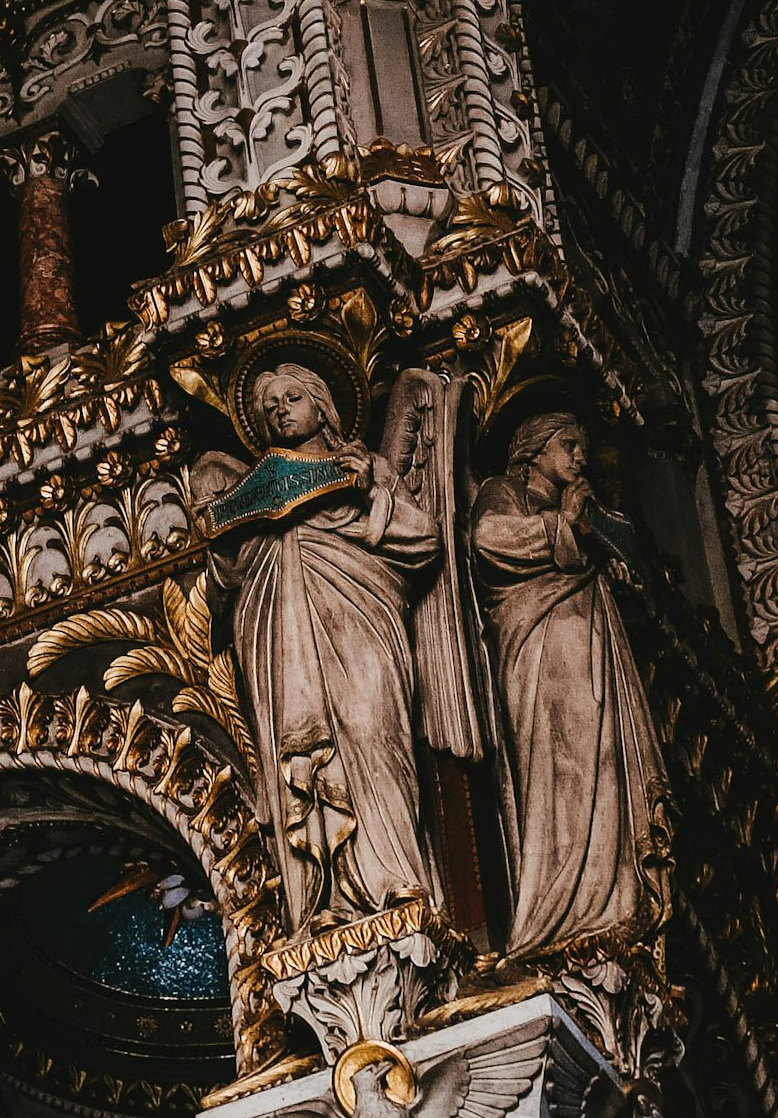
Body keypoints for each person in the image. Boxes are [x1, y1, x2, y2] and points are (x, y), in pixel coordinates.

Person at [215, 353, 440, 934]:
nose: (280, 414)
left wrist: (370, 495)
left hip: (361, 617)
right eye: (269, 410)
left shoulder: (363, 470)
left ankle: (394, 881)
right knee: (300, 754)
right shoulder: (256, 494)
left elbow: (425, 541)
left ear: (322, 405)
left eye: (291, 399)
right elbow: (233, 577)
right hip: (281, 639)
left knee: (369, 727)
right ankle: (327, 899)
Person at [472, 414, 665, 950]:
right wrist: (563, 525)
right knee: (556, 768)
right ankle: (560, 906)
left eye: (584, 447)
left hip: (589, 648)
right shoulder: (502, 491)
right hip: (536, 649)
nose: (580, 457)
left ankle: (609, 900)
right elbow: (488, 539)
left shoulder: (585, 508)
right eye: (569, 444)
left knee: (600, 762)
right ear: (533, 450)